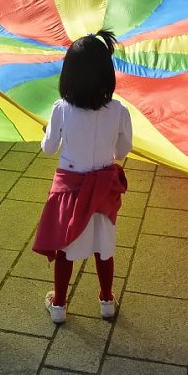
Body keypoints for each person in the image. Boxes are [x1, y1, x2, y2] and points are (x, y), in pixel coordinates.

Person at [33, 30, 132, 325]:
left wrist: (47, 136)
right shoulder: (119, 110)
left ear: (68, 75)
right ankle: (106, 301)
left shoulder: (61, 109)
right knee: (105, 247)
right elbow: (123, 149)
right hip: (103, 188)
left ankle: (60, 305)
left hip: (70, 189)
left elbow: (49, 149)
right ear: (107, 74)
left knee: (65, 245)